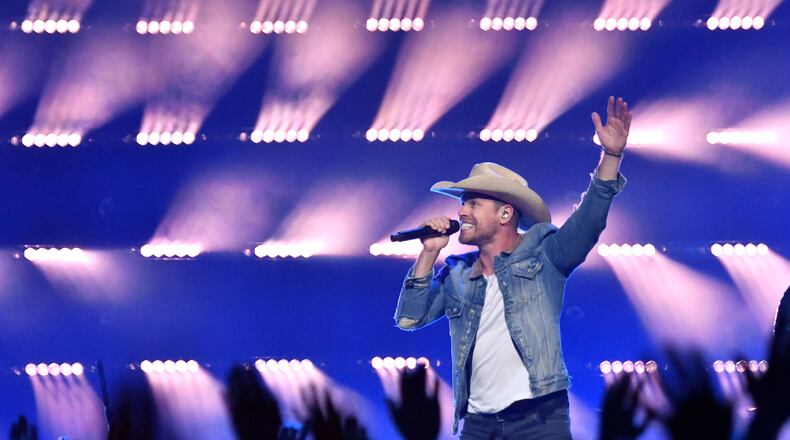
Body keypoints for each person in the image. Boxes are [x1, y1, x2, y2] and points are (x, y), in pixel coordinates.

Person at [394, 96, 632, 438]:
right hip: (477, 422)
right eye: (462, 205)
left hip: (538, 417)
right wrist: (429, 253)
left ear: (505, 214)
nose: (462, 213)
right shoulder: (457, 274)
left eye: (473, 204)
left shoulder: (544, 254)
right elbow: (408, 318)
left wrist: (611, 156)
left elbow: (588, 222)